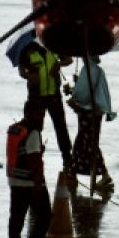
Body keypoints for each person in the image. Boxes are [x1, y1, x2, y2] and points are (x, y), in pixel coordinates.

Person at [6, 100, 51, 238]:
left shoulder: (15, 129)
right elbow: (33, 160)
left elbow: (21, 152)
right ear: (29, 114)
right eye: (39, 114)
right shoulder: (33, 132)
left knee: (16, 219)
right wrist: (38, 186)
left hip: (14, 180)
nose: (42, 119)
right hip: (30, 182)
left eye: (43, 115)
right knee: (45, 216)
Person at [17, 41, 73, 172]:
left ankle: (67, 158)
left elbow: (69, 59)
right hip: (36, 97)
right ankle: (34, 158)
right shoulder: (27, 49)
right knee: (34, 130)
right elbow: (21, 70)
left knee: (61, 127)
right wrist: (29, 76)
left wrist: (59, 64)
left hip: (54, 95)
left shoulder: (55, 45)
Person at [67, 56, 116, 189]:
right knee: (85, 142)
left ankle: (103, 175)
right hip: (92, 112)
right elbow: (87, 90)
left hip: (89, 113)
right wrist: (75, 88)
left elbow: (85, 95)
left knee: (89, 143)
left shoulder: (91, 70)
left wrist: (74, 99)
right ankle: (73, 173)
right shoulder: (93, 70)